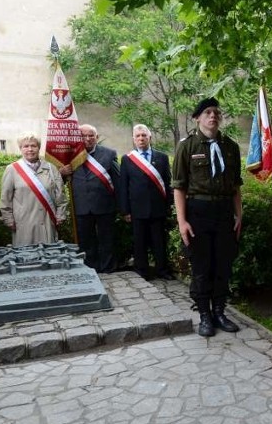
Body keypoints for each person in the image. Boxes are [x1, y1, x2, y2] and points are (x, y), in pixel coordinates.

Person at [172, 97, 242, 337]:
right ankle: (204, 315)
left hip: (223, 212)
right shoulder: (187, 146)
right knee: (201, 266)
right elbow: (179, 187)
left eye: (216, 113)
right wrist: (182, 221)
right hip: (198, 212)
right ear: (197, 118)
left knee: (223, 264)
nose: (213, 116)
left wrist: (238, 215)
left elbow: (235, 186)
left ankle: (220, 311)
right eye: (207, 113)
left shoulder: (230, 147)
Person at [59, 124, 119, 273]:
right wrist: (61, 173)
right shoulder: (69, 156)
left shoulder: (109, 154)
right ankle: (92, 268)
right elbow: (57, 183)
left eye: (91, 135)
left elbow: (118, 181)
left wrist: (122, 207)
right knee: (86, 241)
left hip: (105, 205)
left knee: (107, 239)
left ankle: (108, 268)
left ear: (96, 137)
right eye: (83, 135)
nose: (87, 138)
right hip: (81, 205)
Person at [118, 124, 172, 280]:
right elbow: (123, 187)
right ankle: (142, 271)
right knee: (140, 242)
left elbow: (167, 183)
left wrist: (169, 206)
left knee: (159, 241)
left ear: (150, 137)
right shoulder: (127, 159)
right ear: (134, 139)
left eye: (144, 135)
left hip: (158, 208)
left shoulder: (162, 157)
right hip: (137, 209)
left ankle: (162, 270)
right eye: (138, 136)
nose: (141, 138)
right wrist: (125, 211)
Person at [0, 134, 68, 246]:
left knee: (49, 257)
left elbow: (60, 195)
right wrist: (8, 219)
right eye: (25, 146)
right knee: (26, 258)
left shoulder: (51, 168)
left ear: (39, 147)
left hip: (47, 222)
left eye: (33, 146)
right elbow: (5, 198)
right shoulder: (11, 169)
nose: (30, 149)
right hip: (23, 223)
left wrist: (60, 214)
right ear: (20, 148)